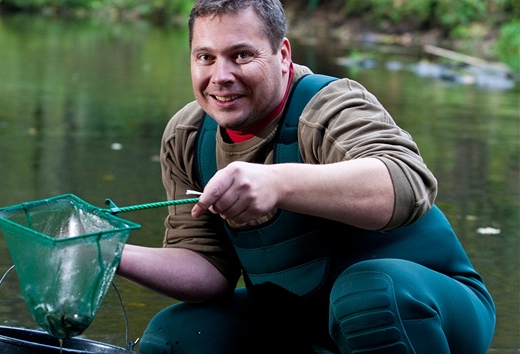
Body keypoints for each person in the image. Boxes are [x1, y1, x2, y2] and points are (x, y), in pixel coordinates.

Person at [116, 0, 496, 352]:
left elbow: (409, 182)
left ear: (282, 55)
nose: (221, 76)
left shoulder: (329, 105)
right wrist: (109, 253)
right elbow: (208, 270)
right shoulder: (188, 135)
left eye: (241, 55)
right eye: (205, 57)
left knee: (368, 296)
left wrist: (277, 184)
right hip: (302, 319)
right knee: (175, 336)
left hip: (428, 307)